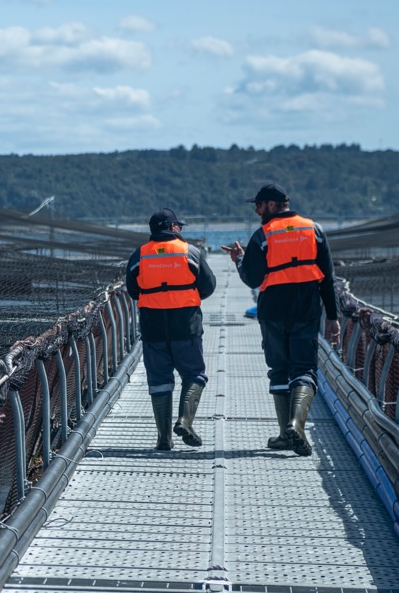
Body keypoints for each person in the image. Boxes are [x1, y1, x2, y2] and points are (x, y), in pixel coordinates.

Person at [223, 183, 341, 456]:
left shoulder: (263, 235)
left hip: (273, 313)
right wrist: (332, 317)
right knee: (304, 369)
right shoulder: (315, 230)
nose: (256, 210)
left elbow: (251, 278)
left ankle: (285, 433)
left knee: (278, 370)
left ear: (274, 205)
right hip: (307, 311)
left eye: (259, 204)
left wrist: (239, 259)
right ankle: (296, 426)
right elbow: (328, 280)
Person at [125, 208, 216, 451]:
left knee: (159, 380)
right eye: (179, 226)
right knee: (194, 374)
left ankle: (164, 437)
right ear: (173, 227)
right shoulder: (191, 253)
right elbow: (209, 286)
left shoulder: (139, 256)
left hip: (153, 328)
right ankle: (185, 421)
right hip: (186, 325)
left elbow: (133, 290)